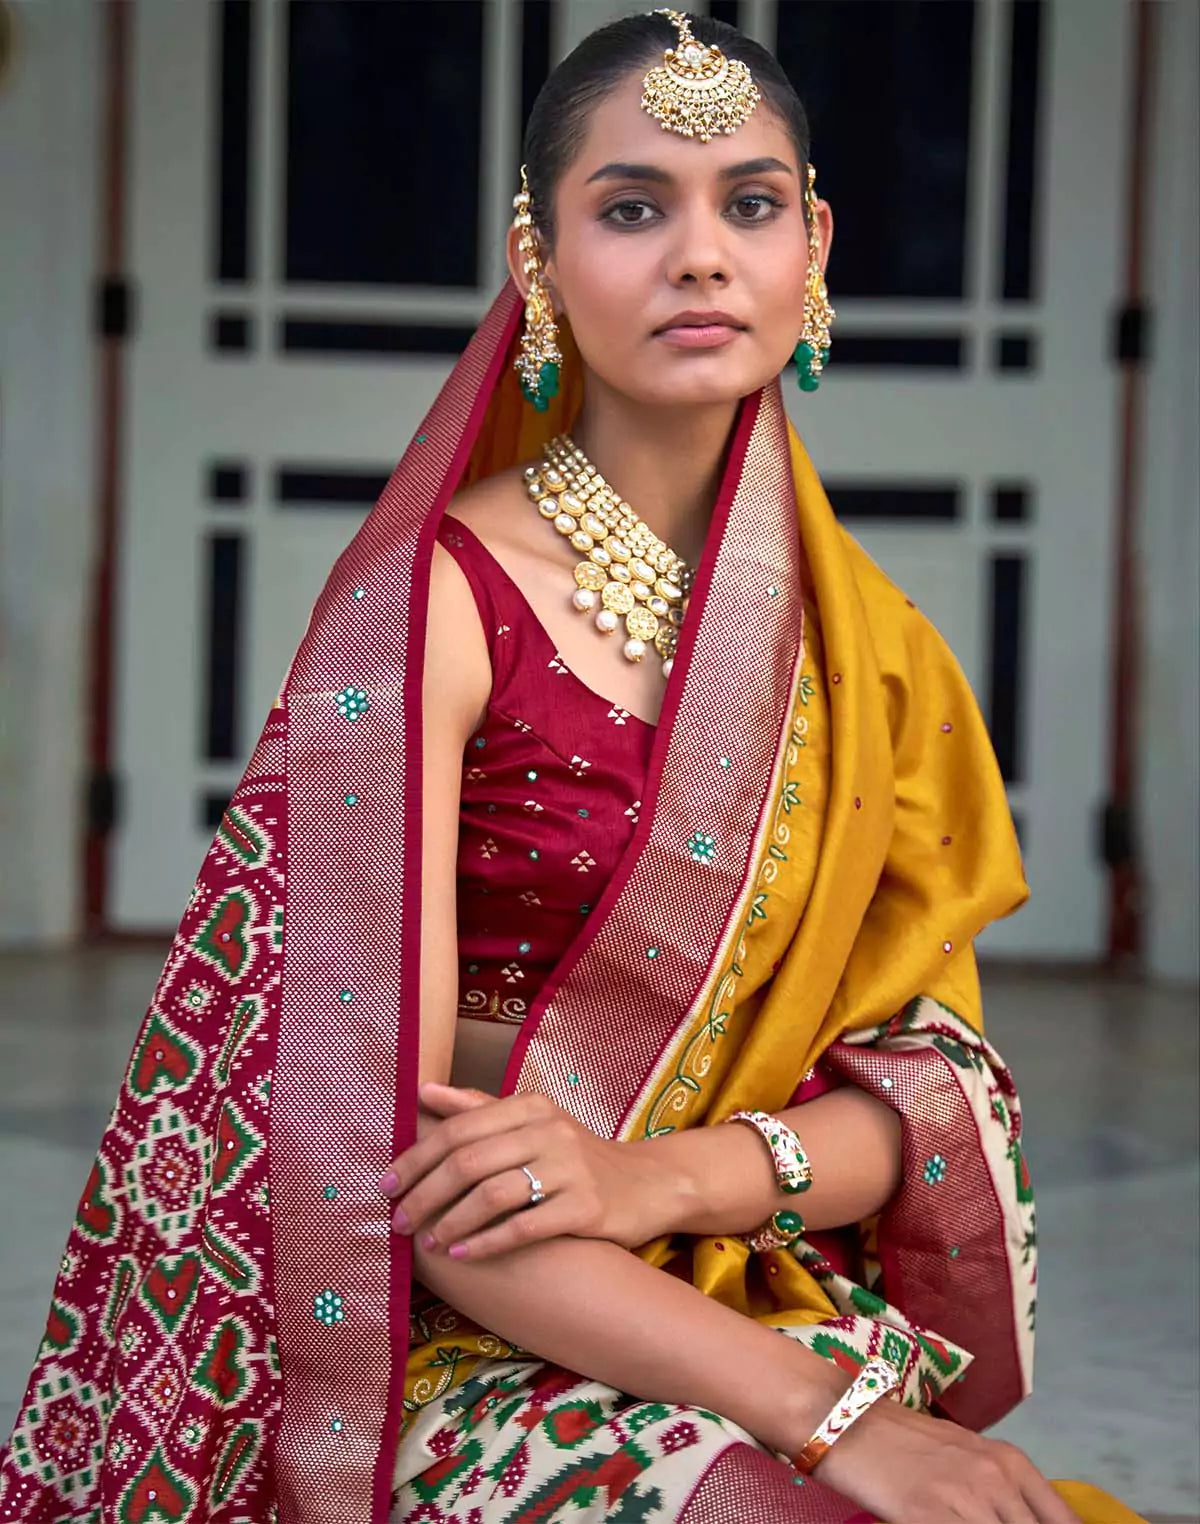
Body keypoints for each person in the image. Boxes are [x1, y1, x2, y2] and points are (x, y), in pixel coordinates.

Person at [0, 12, 1148, 1524]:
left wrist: (661, 1186)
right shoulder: (434, 609)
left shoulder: (874, 649)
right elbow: (396, 1171)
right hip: (457, 1334)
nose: (698, 253)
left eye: (748, 204)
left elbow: (930, 1102)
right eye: (631, 207)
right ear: (538, 263)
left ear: (812, 245)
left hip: (741, 1288)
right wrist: (833, 1418)